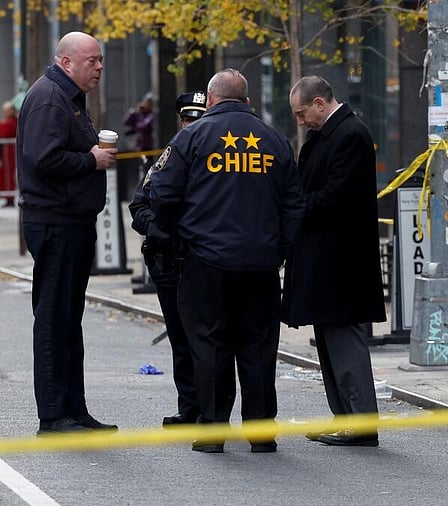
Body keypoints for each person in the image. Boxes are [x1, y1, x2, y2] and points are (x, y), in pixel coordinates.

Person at [150, 69, 302, 453]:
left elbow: (163, 193)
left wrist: (171, 237)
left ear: (211, 101)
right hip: (260, 265)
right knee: (258, 348)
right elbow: (294, 205)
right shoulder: (275, 140)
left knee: (210, 345)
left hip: (206, 262)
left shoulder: (191, 137)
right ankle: (262, 432)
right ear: (247, 101)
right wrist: (280, 250)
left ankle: (214, 430)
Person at [15, 31, 119, 436]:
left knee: (69, 321)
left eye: (100, 60)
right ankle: (54, 415)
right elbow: (42, 159)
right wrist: (89, 160)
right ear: (66, 61)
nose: (98, 67)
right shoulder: (48, 98)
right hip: (55, 222)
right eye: (92, 60)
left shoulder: (69, 97)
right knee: (54, 320)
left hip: (73, 222)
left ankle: (75, 410)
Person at [282, 76, 386, 447]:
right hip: (326, 259)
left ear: (320, 103)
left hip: (342, 262)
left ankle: (360, 422)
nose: (300, 121)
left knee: (345, 342)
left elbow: (335, 196)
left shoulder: (350, 135)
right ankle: (345, 416)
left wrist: (295, 210)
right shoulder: (328, 135)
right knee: (328, 342)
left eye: (302, 112)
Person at [128, 91, 207, 428]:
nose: (192, 126)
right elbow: (139, 206)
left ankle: (212, 409)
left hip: (205, 261)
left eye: (198, 120)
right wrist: (158, 231)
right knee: (180, 338)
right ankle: (190, 405)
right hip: (171, 262)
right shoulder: (168, 158)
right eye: (188, 120)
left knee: (207, 339)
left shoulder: (217, 160)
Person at [0, 101, 17, 205]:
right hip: (5, 153)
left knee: (9, 175)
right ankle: (7, 198)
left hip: (10, 153)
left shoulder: (13, 121)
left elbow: (4, 133)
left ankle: (10, 198)